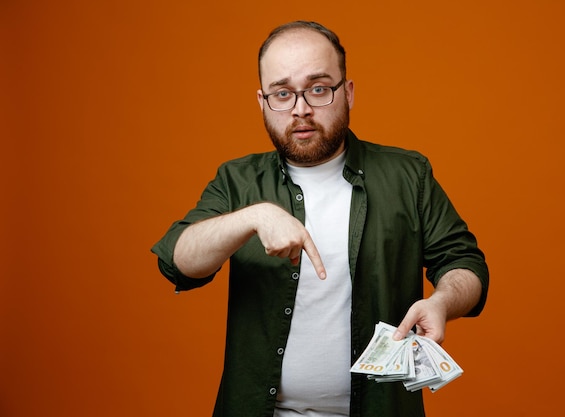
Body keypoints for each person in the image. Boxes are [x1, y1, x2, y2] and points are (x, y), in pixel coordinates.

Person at [152, 20, 489, 417]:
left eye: (318, 88)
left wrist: (444, 302)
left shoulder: (407, 175)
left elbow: (466, 264)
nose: (301, 109)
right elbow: (177, 262)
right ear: (262, 102)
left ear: (347, 93)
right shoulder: (237, 181)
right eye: (282, 93)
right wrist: (254, 216)